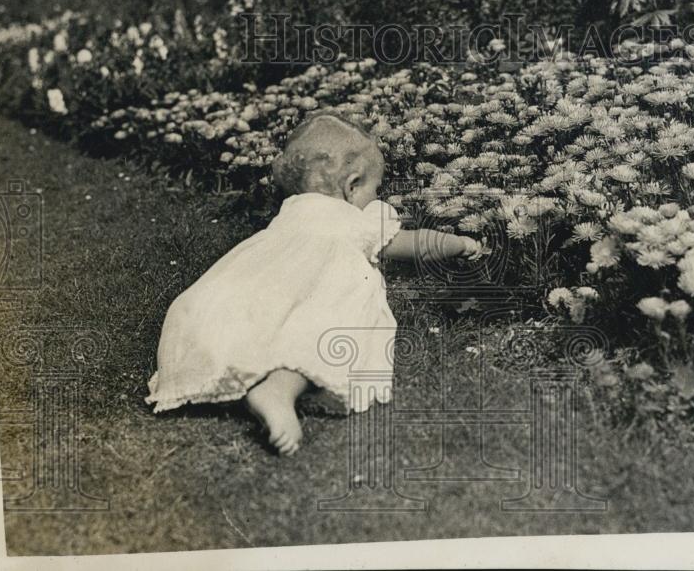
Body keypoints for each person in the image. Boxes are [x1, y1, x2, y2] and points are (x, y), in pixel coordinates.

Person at [145, 114, 484, 455]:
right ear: (352, 186)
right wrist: (460, 244)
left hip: (251, 286)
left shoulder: (291, 210)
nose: (375, 196)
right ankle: (279, 389)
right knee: (326, 323)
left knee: (252, 326)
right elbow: (413, 243)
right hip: (314, 290)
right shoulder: (352, 220)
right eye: (374, 188)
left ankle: (238, 380)